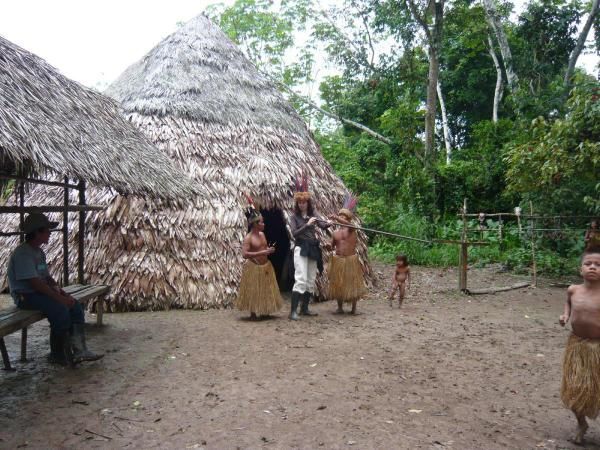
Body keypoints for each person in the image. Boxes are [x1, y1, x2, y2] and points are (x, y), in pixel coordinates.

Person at [7, 213, 103, 366]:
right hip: (25, 296)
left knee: (75, 306)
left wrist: (61, 292)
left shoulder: (39, 252)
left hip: (38, 293)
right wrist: (60, 299)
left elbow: (46, 278)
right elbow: (35, 283)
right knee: (60, 310)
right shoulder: (23, 253)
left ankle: (80, 350)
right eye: (47, 230)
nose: (50, 233)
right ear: (37, 232)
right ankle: (57, 354)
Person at [559, 246, 600, 444]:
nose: (593, 267)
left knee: (597, 390)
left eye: (598, 265)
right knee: (574, 389)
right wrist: (565, 315)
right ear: (580, 269)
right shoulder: (573, 290)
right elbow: (568, 302)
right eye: (588, 264)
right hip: (577, 347)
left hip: (597, 349)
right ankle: (581, 423)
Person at [288, 174, 331, 320]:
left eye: (304, 202)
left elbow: (323, 225)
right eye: (299, 202)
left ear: (308, 202)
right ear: (297, 203)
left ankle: (304, 309)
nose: (302, 204)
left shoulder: (314, 213)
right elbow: (294, 234)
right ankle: (293, 311)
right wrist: (307, 225)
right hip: (301, 248)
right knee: (301, 278)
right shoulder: (294, 217)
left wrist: (328, 223)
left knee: (310, 279)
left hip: (312, 249)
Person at [235, 198, 282, 319]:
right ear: (255, 224)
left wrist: (269, 250)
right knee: (254, 289)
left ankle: (265, 309)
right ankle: (253, 312)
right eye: (261, 222)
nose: (264, 224)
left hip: (265, 265)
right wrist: (263, 252)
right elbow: (244, 254)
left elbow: (264, 249)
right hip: (254, 266)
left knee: (266, 288)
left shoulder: (262, 234)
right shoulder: (248, 238)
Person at [326, 196, 365, 315]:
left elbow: (349, 225)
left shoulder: (352, 229)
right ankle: (340, 307)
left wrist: (336, 217)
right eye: (340, 216)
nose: (341, 218)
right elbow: (331, 246)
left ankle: (353, 309)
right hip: (338, 259)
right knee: (339, 283)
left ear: (348, 219)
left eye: (344, 217)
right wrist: (327, 246)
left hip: (350, 260)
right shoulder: (335, 233)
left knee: (352, 283)